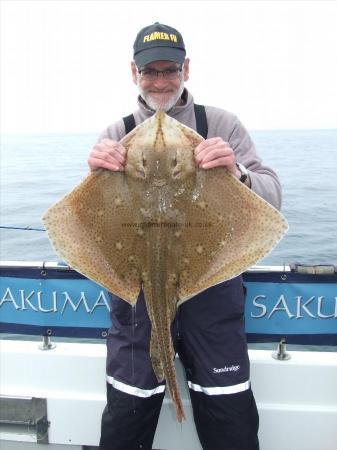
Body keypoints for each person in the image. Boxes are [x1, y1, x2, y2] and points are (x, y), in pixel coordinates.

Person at [88, 22, 281, 450]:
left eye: (169, 70)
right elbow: (89, 225)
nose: (160, 81)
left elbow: (272, 198)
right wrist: (94, 178)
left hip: (212, 286)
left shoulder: (220, 124)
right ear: (134, 73)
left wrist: (237, 173)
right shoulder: (116, 133)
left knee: (229, 418)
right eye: (149, 71)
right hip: (137, 296)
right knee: (125, 418)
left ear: (186, 69)